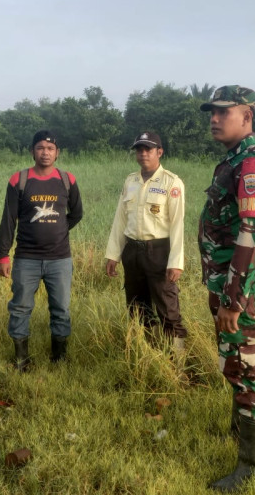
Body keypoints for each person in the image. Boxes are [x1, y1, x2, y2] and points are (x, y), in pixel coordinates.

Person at [198, 86, 255, 491]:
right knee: (234, 360)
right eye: (211, 113)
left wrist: (233, 300)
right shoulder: (232, 160)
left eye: (223, 112)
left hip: (241, 289)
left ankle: (251, 466)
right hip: (228, 283)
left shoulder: (251, 163)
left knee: (249, 369)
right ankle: (240, 433)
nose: (214, 119)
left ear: (247, 115)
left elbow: (251, 235)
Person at [0, 130, 83, 371]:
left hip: (60, 259)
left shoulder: (67, 180)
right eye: (40, 148)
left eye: (50, 148)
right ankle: (21, 360)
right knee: (20, 308)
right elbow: (8, 219)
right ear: (32, 151)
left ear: (57, 153)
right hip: (26, 258)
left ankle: (59, 359)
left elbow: (77, 213)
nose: (45, 152)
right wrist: (3, 255)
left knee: (61, 309)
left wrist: (60, 229)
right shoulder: (19, 180)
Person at [104, 131, 187, 352]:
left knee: (167, 308)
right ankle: (148, 354)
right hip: (132, 251)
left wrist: (176, 262)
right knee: (137, 307)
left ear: (159, 152)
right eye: (139, 149)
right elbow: (120, 220)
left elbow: (177, 225)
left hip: (158, 252)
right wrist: (113, 254)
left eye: (148, 149)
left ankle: (176, 361)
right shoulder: (130, 181)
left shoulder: (171, 182)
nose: (143, 154)